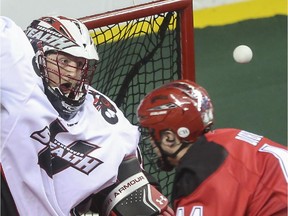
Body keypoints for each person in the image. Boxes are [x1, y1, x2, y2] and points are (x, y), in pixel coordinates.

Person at [0, 16, 174, 216]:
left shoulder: (104, 118)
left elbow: (127, 179)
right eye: (64, 62)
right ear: (37, 57)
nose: (73, 74)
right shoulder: (21, 83)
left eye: (80, 65)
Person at [137, 79, 288, 216]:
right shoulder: (227, 137)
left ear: (170, 138)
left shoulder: (202, 173)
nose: (151, 142)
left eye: (152, 134)